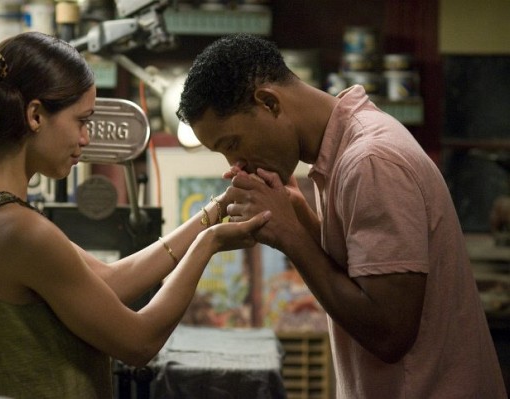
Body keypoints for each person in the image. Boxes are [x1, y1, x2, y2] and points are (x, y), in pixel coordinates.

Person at [0, 31, 270, 399]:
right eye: (81, 120)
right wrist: (209, 244)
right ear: (35, 115)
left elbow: (110, 281)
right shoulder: (19, 231)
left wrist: (213, 212)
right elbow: (139, 342)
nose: (85, 138)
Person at [177, 33, 508, 398]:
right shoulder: (343, 150)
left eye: (232, 144)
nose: (234, 166)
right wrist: (299, 215)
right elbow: (362, 273)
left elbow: (389, 333)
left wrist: (291, 237)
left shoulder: (370, 161)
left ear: (269, 103)